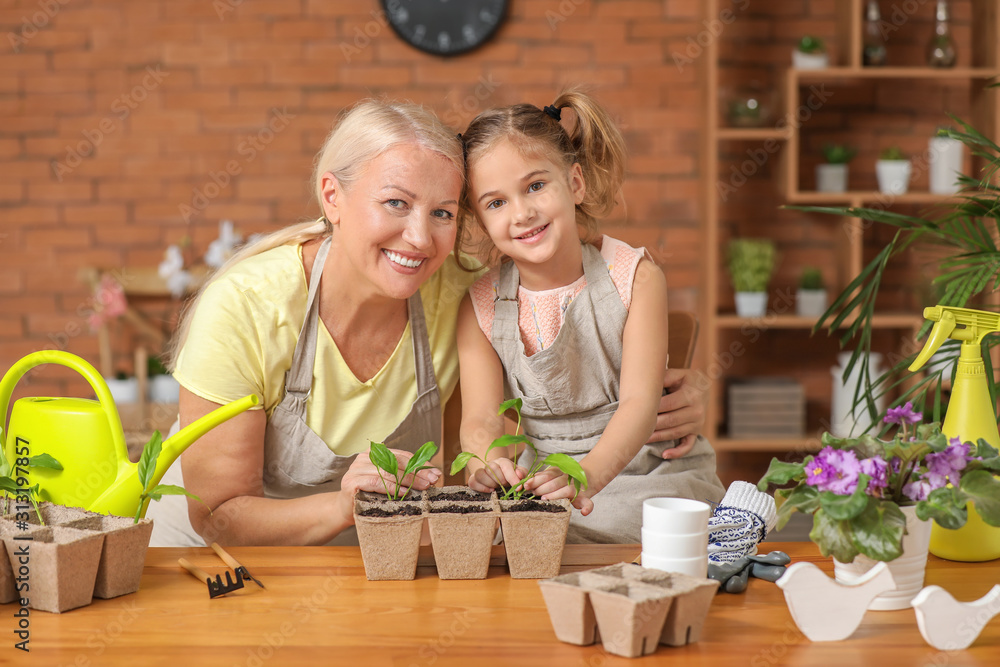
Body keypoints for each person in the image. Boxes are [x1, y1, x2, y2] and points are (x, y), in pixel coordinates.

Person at [148, 98, 711, 547]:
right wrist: (348, 505)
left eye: (442, 212)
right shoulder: (246, 306)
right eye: (395, 203)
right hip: (208, 558)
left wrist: (683, 387)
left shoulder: (455, 287)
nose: (419, 239)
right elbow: (219, 518)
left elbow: (581, 317)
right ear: (332, 195)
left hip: (367, 551)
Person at [456, 90, 725, 543]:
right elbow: (480, 419)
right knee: (509, 535)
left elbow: (639, 406)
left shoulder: (635, 277)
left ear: (574, 183)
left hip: (642, 469)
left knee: (654, 526)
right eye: (496, 203)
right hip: (545, 481)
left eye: (535, 186)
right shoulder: (479, 303)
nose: (522, 213)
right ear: (481, 221)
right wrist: (489, 464)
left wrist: (586, 476)